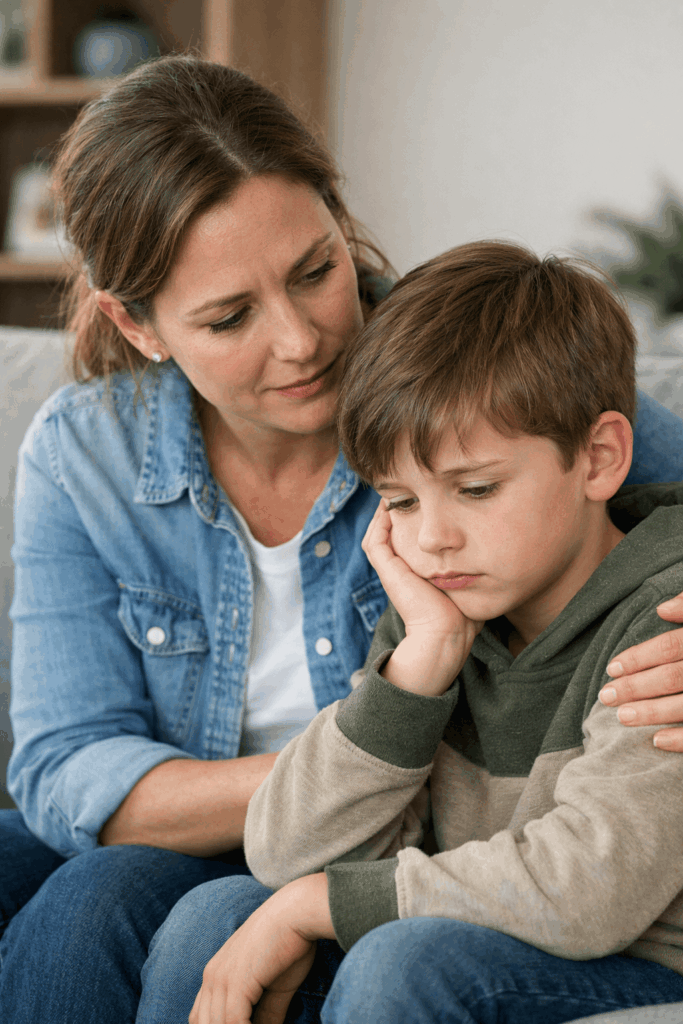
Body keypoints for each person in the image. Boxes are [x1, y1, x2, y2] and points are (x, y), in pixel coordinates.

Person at [0, 54, 682, 1024]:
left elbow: (626, 492)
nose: (302, 339)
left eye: (315, 271)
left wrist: (342, 852)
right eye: (229, 315)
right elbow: (67, 767)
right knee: (114, 898)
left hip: (458, 867)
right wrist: (395, 711)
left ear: (338, 217)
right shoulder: (87, 452)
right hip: (343, 819)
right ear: (137, 325)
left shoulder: (457, 373)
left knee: (110, 908)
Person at [136, 242, 683, 1024]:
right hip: (483, 942)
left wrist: (316, 905)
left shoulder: (661, 617)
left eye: (476, 489)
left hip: (629, 968)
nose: (430, 540)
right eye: (397, 501)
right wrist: (415, 672)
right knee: (211, 920)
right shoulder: (442, 611)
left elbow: (588, 891)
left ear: (597, 459)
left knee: (404, 961)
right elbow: (285, 853)